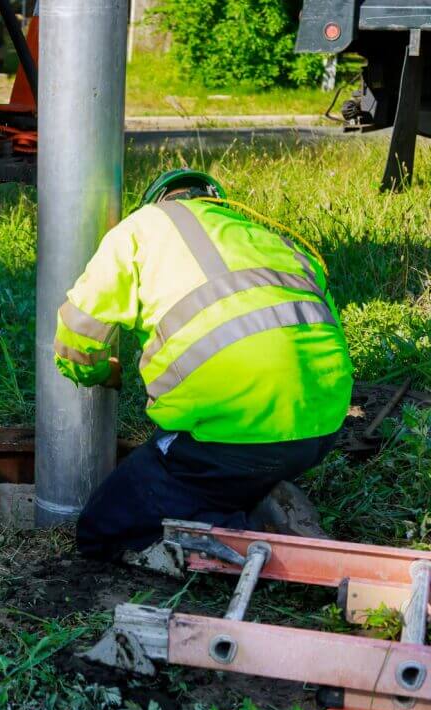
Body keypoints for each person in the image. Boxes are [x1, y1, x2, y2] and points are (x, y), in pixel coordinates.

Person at [53, 168, 353, 559]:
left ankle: (245, 530)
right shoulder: (267, 238)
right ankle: (261, 493)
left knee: (100, 531)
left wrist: (97, 373)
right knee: (223, 466)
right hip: (321, 427)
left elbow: (78, 332)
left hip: (232, 438)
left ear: (156, 203)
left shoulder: (140, 228)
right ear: (214, 202)